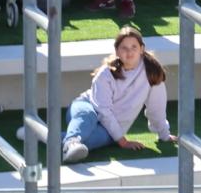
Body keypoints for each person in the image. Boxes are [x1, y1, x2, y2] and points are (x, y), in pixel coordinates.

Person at [61, 26, 174, 163]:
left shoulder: (152, 72)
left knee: (89, 142)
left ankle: (43, 134)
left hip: (110, 128)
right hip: (87, 106)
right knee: (87, 116)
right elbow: (103, 110)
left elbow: (157, 108)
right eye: (124, 48)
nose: (129, 52)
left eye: (134, 47)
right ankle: (71, 143)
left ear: (142, 49)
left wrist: (164, 134)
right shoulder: (105, 74)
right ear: (117, 51)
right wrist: (123, 141)